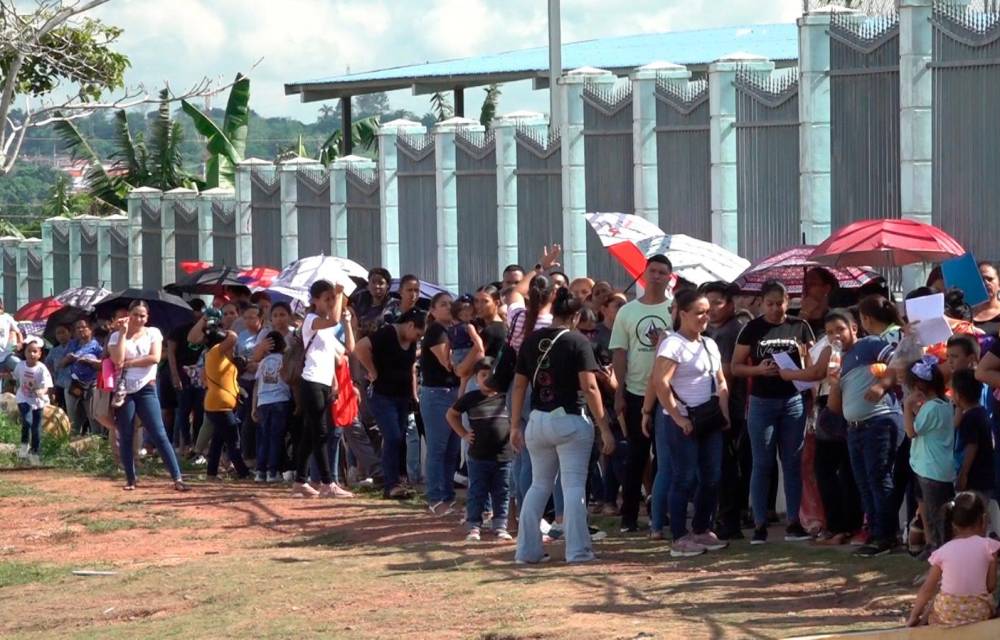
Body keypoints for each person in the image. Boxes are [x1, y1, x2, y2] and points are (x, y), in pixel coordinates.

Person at [511, 286, 615, 564]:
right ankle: (578, 551)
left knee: (538, 485)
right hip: (570, 419)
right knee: (572, 487)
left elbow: (519, 385)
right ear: (577, 315)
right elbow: (590, 387)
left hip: (536, 421)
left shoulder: (531, 340)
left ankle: (526, 551)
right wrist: (603, 426)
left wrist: (513, 425)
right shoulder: (578, 341)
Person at [645, 289, 730, 557]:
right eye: (699, 312)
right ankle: (679, 536)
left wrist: (724, 414)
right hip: (681, 421)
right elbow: (660, 382)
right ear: (682, 314)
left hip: (709, 419)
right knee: (683, 477)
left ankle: (702, 528)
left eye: (708, 311)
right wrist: (678, 416)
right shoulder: (672, 344)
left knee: (712, 477)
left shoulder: (709, 344)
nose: (706, 317)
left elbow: (721, 381)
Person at [732, 279, 815, 544]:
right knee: (762, 462)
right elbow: (735, 366)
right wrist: (758, 370)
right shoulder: (752, 328)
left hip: (793, 399)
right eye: (770, 304)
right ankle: (759, 524)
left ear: (787, 302)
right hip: (761, 401)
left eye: (780, 303)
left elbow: (812, 364)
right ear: (761, 303)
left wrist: (811, 397)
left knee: (792, 462)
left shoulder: (799, 326)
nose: (775, 309)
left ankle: (793, 522)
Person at [822, 309, 897, 555]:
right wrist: (833, 384)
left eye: (840, 330)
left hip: (879, 422)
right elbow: (834, 407)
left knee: (878, 479)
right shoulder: (837, 360)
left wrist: (882, 385)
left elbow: (898, 362)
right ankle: (875, 533)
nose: (836, 336)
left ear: (854, 328)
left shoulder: (870, 344)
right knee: (864, 483)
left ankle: (886, 536)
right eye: (830, 332)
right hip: (854, 429)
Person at [610, 255, 674, 534]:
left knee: (665, 456)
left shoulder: (675, 309)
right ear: (644, 274)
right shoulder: (627, 311)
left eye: (663, 272)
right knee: (636, 455)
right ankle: (629, 516)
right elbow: (620, 353)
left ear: (669, 277)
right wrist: (619, 391)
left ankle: (661, 512)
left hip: (669, 391)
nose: (657, 276)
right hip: (635, 391)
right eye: (653, 271)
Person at [108, 301, 188, 492]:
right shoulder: (115, 336)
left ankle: (177, 477)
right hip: (123, 390)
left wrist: (129, 364)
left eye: (142, 315)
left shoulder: (153, 333)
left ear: (147, 317)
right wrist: (121, 333)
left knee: (159, 433)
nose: (139, 319)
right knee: (126, 434)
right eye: (135, 314)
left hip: (146, 388)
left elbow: (154, 358)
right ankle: (131, 478)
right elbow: (117, 359)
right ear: (129, 315)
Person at [355, 308, 426, 499]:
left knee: (399, 437)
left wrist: (413, 394)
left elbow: (410, 367)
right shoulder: (387, 333)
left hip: (402, 396)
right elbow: (360, 347)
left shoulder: (410, 342)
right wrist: (373, 370)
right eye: (418, 334)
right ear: (410, 325)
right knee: (392, 436)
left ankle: (396, 481)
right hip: (382, 395)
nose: (417, 339)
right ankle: (390, 484)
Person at [421, 292, 482, 515]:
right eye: (443, 305)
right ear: (433, 310)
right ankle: (435, 497)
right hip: (437, 393)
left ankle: (447, 495)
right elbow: (449, 364)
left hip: (453, 391)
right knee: (438, 448)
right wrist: (476, 349)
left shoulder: (456, 330)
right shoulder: (436, 330)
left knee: (452, 449)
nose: (448, 308)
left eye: (450, 304)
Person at [700, 281, 750, 540]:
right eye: (708, 304)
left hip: (729, 407)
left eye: (717, 303)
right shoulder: (708, 331)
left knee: (726, 466)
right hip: (711, 406)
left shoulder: (733, 331)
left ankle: (730, 521)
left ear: (730, 304)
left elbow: (728, 372)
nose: (712, 310)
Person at [446, 358, 514, 542]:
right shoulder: (471, 398)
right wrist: (463, 434)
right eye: (483, 375)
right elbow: (451, 414)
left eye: (491, 374)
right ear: (476, 378)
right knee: (477, 492)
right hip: (478, 456)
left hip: (504, 455)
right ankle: (474, 527)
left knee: (502, 491)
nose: (488, 378)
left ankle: (500, 526)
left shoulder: (505, 397)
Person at [908, 492, 999, 627]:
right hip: (979, 612)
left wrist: (914, 616)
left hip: (947, 613)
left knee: (937, 601)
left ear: (953, 524)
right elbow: (990, 586)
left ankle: (919, 627)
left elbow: (927, 589)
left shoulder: (943, 551)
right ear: (983, 520)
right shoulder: (990, 546)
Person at [290, 280, 344, 498]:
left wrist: (333, 379)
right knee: (320, 432)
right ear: (315, 300)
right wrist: (339, 296)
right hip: (310, 381)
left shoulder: (326, 325)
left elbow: (328, 355)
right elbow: (334, 320)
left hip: (322, 380)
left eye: (332, 298)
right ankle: (327, 482)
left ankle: (300, 480)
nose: (330, 302)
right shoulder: (312, 320)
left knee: (310, 434)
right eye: (326, 298)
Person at [904, 356, 956, 552]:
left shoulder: (931, 407)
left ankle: (941, 560)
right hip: (939, 470)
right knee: (941, 519)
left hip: (930, 470)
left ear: (919, 385)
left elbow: (911, 432)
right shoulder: (945, 404)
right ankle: (936, 555)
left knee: (938, 522)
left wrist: (908, 407)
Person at [200, 319, 250, 482]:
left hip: (218, 404)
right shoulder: (215, 352)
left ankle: (211, 473)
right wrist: (223, 329)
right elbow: (233, 337)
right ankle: (243, 473)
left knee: (218, 440)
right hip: (219, 406)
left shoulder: (218, 358)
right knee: (233, 439)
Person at [951, 369, 995, 511]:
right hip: (985, 476)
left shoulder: (970, 419)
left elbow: (972, 446)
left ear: (958, 395)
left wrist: (963, 474)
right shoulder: (981, 412)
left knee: (973, 514)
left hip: (975, 478)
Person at [252, 330, 290, 483]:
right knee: (276, 438)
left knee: (265, 437)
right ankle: (272, 472)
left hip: (263, 402)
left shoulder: (263, 362)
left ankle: (260, 471)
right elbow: (288, 379)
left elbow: (257, 384)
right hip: (280, 400)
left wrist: (253, 407)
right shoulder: (284, 360)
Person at [168, 299, 205, 453]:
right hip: (183, 373)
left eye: (200, 310)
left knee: (200, 410)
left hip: (202, 374)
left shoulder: (208, 329)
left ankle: (197, 445)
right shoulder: (178, 330)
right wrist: (175, 375)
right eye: (195, 310)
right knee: (183, 410)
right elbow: (171, 353)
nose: (197, 313)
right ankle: (184, 444)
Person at [62, 318, 102, 436]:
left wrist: (89, 361)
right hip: (74, 384)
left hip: (91, 384)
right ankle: (72, 444)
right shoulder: (72, 344)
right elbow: (61, 364)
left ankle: (96, 445)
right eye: (77, 328)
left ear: (91, 328)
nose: (80, 330)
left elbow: (103, 364)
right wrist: (68, 358)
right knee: (73, 418)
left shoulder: (97, 345)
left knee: (93, 417)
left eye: (83, 327)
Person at [14, 337, 51, 466]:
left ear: (40, 354)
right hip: (23, 398)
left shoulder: (42, 368)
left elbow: (46, 385)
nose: (32, 354)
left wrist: (42, 391)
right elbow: (15, 377)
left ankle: (35, 453)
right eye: (29, 351)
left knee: (36, 428)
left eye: (35, 351)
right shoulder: (20, 365)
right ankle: (23, 448)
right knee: (27, 421)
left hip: (38, 401)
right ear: (25, 353)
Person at [350, 267, 397, 339]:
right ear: (368, 285)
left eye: (381, 283)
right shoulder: (359, 300)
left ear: (387, 286)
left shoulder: (393, 305)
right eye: (373, 282)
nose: (376, 286)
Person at [45, 324, 72, 411]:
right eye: (58, 333)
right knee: (60, 409)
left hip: (73, 384)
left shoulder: (75, 346)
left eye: (63, 332)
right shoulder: (54, 351)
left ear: (70, 333)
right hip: (59, 384)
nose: (61, 335)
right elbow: (47, 364)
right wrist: (52, 373)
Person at [973, 261, 1000, 336]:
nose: (985, 283)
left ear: (999, 284)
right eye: (981, 279)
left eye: (990, 279)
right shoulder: (964, 314)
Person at [0, 296, 23, 376]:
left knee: (21, 367)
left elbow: (18, 332)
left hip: (6, 355)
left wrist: (20, 342)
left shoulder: (7, 317)